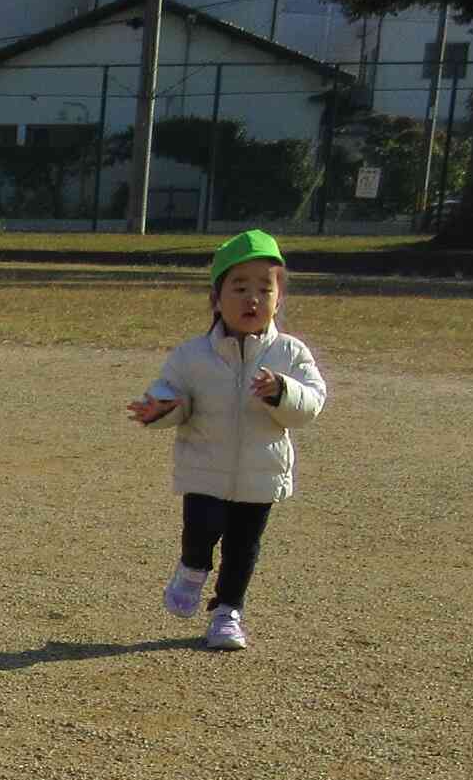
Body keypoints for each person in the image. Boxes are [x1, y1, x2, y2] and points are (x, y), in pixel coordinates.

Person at [125, 230, 329, 652]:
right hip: (204, 468)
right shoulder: (191, 355)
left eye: (264, 288)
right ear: (217, 298)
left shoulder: (291, 355)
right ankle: (192, 568)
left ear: (279, 298)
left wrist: (282, 392)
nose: (252, 298)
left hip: (261, 474)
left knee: (243, 547)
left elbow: (311, 403)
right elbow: (171, 393)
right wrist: (160, 408)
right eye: (239, 287)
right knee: (201, 530)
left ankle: (227, 613)